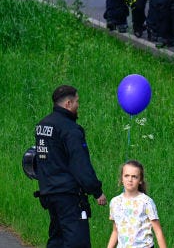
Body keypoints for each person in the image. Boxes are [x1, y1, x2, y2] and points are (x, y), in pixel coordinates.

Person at [33, 85, 107, 246]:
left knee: (57, 240)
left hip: (48, 193)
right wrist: (96, 191)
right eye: (76, 101)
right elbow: (79, 164)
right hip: (68, 196)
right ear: (68, 103)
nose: (78, 105)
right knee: (77, 242)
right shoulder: (70, 129)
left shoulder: (42, 126)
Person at [106, 160, 167, 248]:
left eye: (134, 176)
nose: (130, 179)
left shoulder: (146, 202)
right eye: (126, 176)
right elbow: (115, 231)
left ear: (140, 180)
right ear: (121, 179)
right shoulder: (115, 202)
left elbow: (158, 232)